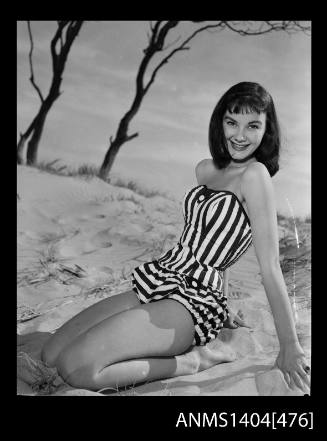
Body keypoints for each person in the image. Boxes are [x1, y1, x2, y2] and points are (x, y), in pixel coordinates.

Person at [41, 81, 310, 393]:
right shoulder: (205, 169)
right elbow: (205, 235)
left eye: (253, 125)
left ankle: (190, 362)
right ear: (219, 122)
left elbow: (271, 266)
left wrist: (290, 347)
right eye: (231, 122)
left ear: (267, 130)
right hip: (160, 278)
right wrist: (226, 304)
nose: (240, 135)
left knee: (76, 368)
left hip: (193, 302)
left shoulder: (256, 176)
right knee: (51, 355)